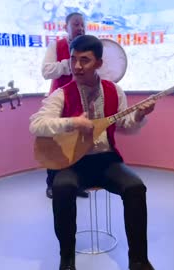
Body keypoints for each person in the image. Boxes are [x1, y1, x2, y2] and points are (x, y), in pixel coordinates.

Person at [30, 35, 156, 270]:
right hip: (72, 163)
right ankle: (67, 259)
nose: (77, 66)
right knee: (62, 187)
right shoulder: (62, 94)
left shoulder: (114, 91)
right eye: (74, 59)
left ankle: (138, 259)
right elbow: (36, 124)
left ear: (99, 63)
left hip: (106, 161)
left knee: (136, 187)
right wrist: (72, 123)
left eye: (85, 60)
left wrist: (139, 115)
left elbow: (125, 126)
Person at [42, 12, 89, 199]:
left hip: (81, 102)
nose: (80, 28)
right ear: (66, 28)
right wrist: (69, 64)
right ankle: (52, 184)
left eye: (82, 25)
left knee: (79, 144)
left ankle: (77, 184)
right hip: (59, 102)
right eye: (76, 24)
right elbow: (46, 71)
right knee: (56, 144)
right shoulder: (57, 45)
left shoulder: (89, 47)